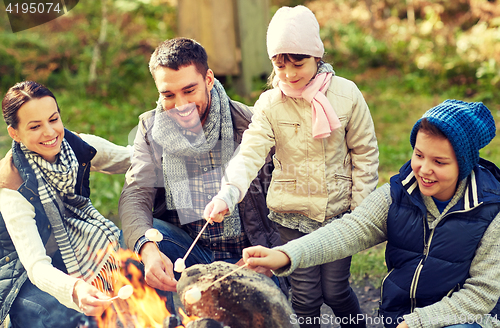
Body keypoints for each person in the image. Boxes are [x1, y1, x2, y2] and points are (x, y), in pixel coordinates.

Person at [242, 99, 500, 328]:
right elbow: (349, 230)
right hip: (400, 317)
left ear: (464, 164)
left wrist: (418, 323)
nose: (423, 169)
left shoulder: (491, 210)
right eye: (419, 155)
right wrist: (285, 254)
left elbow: (481, 294)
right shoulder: (398, 195)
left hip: (465, 320)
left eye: (439, 162)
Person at [204, 5, 379, 328]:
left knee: (336, 291)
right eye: (279, 66)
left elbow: (365, 154)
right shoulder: (271, 103)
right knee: (306, 297)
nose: (289, 75)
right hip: (291, 215)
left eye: (297, 64)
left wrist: (361, 213)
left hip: (339, 214)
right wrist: (229, 192)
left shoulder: (347, 95)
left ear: (316, 55)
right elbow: (250, 152)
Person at [118, 37, 282, 297]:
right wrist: (147, 249)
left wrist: (272, 256)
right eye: (168, 95)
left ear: (208, 79)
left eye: (189, 90)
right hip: (188, 250)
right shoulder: (150, 129)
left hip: (249, 256)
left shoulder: (252, 124)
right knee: (135, 240)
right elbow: (136, 193)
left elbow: (291, 203)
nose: (181, 105)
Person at [0, 81, 131, 328]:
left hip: (72, 249)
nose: (50, 133)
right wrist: (75, 289)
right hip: (20, 271)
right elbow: (35, 266)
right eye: (35, 126)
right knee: (56, 316)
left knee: (142, 257)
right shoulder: (11, 186)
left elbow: (134, 159)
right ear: (14, 133)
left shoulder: (78, 148)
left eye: (53, 119)